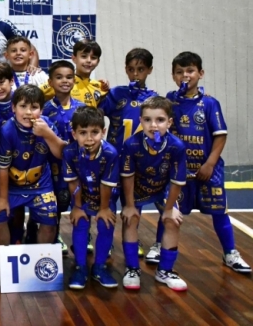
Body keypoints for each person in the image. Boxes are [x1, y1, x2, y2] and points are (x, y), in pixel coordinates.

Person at [167, 52, 250, 273]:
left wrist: (210, 164)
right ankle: (160, 247)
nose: (185, 75)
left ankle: (230, 252)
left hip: (207, 169)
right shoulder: (169, 101)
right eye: (179, 72)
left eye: (190, 70)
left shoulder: (210, 103)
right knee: (170, 212)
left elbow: (220, 135)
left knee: (219, 211)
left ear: (200, 73)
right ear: (173, 76)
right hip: (179, 172)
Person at [0, 85, 67, 277]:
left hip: (41, 185)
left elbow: (62, 154)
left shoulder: (47, 124)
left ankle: (42, 267)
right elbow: (3, 167)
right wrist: (3, 198)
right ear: (13, 108)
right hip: (12, 187)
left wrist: (47, 134)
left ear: (42, 110)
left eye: (34, 107)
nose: (28, 112)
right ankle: (4, 266)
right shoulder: (6, 130)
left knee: (50, 220)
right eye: (23, 106)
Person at [120, 96, 188, 291]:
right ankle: (132, 269)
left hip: (163, 188)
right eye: (148, 120)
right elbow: (127, 177)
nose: (153, 125)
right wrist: (130, 206)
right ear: (140, 121)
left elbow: (176, 181)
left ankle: (165, 271)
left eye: (160, 120)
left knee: (172, 221)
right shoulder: (131, 144)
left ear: (169, 122)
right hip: (136, 188)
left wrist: (169, 209)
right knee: (130, 219)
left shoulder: (176, 146)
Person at [99, 48, 157, 258]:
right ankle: (105, 243)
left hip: (137, 164)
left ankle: (131, 240)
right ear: (125, 69)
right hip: (113, 162)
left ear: (149, 70)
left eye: (140, 69)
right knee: (107, 204)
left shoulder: (153, 99)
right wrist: (99, 93)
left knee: (132, 205)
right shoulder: (116, 94)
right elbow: (96, 113)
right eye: (131, 69)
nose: (135, 74)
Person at [62, 107, 120, 289]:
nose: (89, 138)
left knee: (106, 224)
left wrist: (104, 208)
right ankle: (80, 267)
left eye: (94, 132)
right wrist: (78, 207)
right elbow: (73, 181)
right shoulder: (69, 152)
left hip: (105, 197)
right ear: (74, 134)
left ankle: (100, 267)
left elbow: (107, 184)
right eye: (83, 133)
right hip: (82, 194)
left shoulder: (110, 153)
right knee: (80, 223)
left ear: (103, 132)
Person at [38, 60, 85, 253]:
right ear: (50, 82)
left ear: (74, 80)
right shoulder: (44, 109)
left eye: (69, 77)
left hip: (78, 165)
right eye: (59, 77)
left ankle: (83, 238)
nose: (64, 81)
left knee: (79, 203)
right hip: (53, 166)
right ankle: (54, 236)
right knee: (54, 204)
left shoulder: (82, 109)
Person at [39, 39, 108, 107]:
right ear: (74, 58)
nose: (89, 60)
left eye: (93, 58)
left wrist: (105, 86)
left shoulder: (99, 86)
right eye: (84, 56)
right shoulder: (61, 82)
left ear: (98, 62)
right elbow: (35, 94)